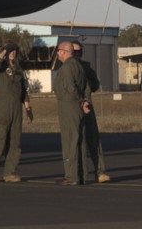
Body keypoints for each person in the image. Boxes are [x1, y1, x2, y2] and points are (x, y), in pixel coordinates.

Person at [51, 37, 103, 185]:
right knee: (80, 142)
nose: (58, 54)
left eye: (59, 51)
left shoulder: (66, 67)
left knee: (70, 142)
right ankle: (82, 175)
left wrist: (80, 102)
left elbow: (70, 87)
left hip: (69, 107)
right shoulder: (80, 66)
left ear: (65, 52)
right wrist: (85, 102)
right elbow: (86, 86)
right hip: (79, 108)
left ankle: (71, 176)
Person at [0, 44, 30, 183]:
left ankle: (10, 172)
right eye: (10, 51)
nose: (13, 53)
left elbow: (23, 89)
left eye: (15, 51)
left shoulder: (18, 68)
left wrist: (28, 107)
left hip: (16, 107)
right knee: (0, 140)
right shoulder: (1, 67)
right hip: (3, 107)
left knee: (15, 141)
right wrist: (4, 49)